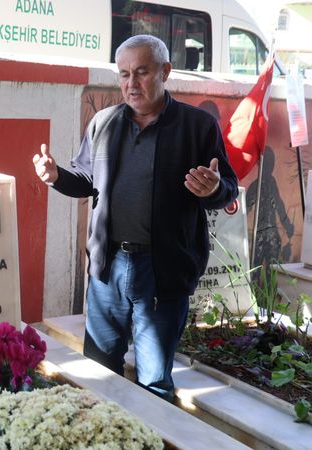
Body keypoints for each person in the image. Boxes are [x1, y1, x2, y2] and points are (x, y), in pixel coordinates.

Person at [32, 35, 238, 401]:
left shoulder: (197, 127)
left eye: (142, 72)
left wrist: (213, 190)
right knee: (97, 375)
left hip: (163, 273)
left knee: (154, 383)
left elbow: (228, 189)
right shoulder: (103, 123)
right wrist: (56, 176)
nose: (131, 83)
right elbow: (86, 180)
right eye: (124, 74)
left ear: (165, 71)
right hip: (108, 269)